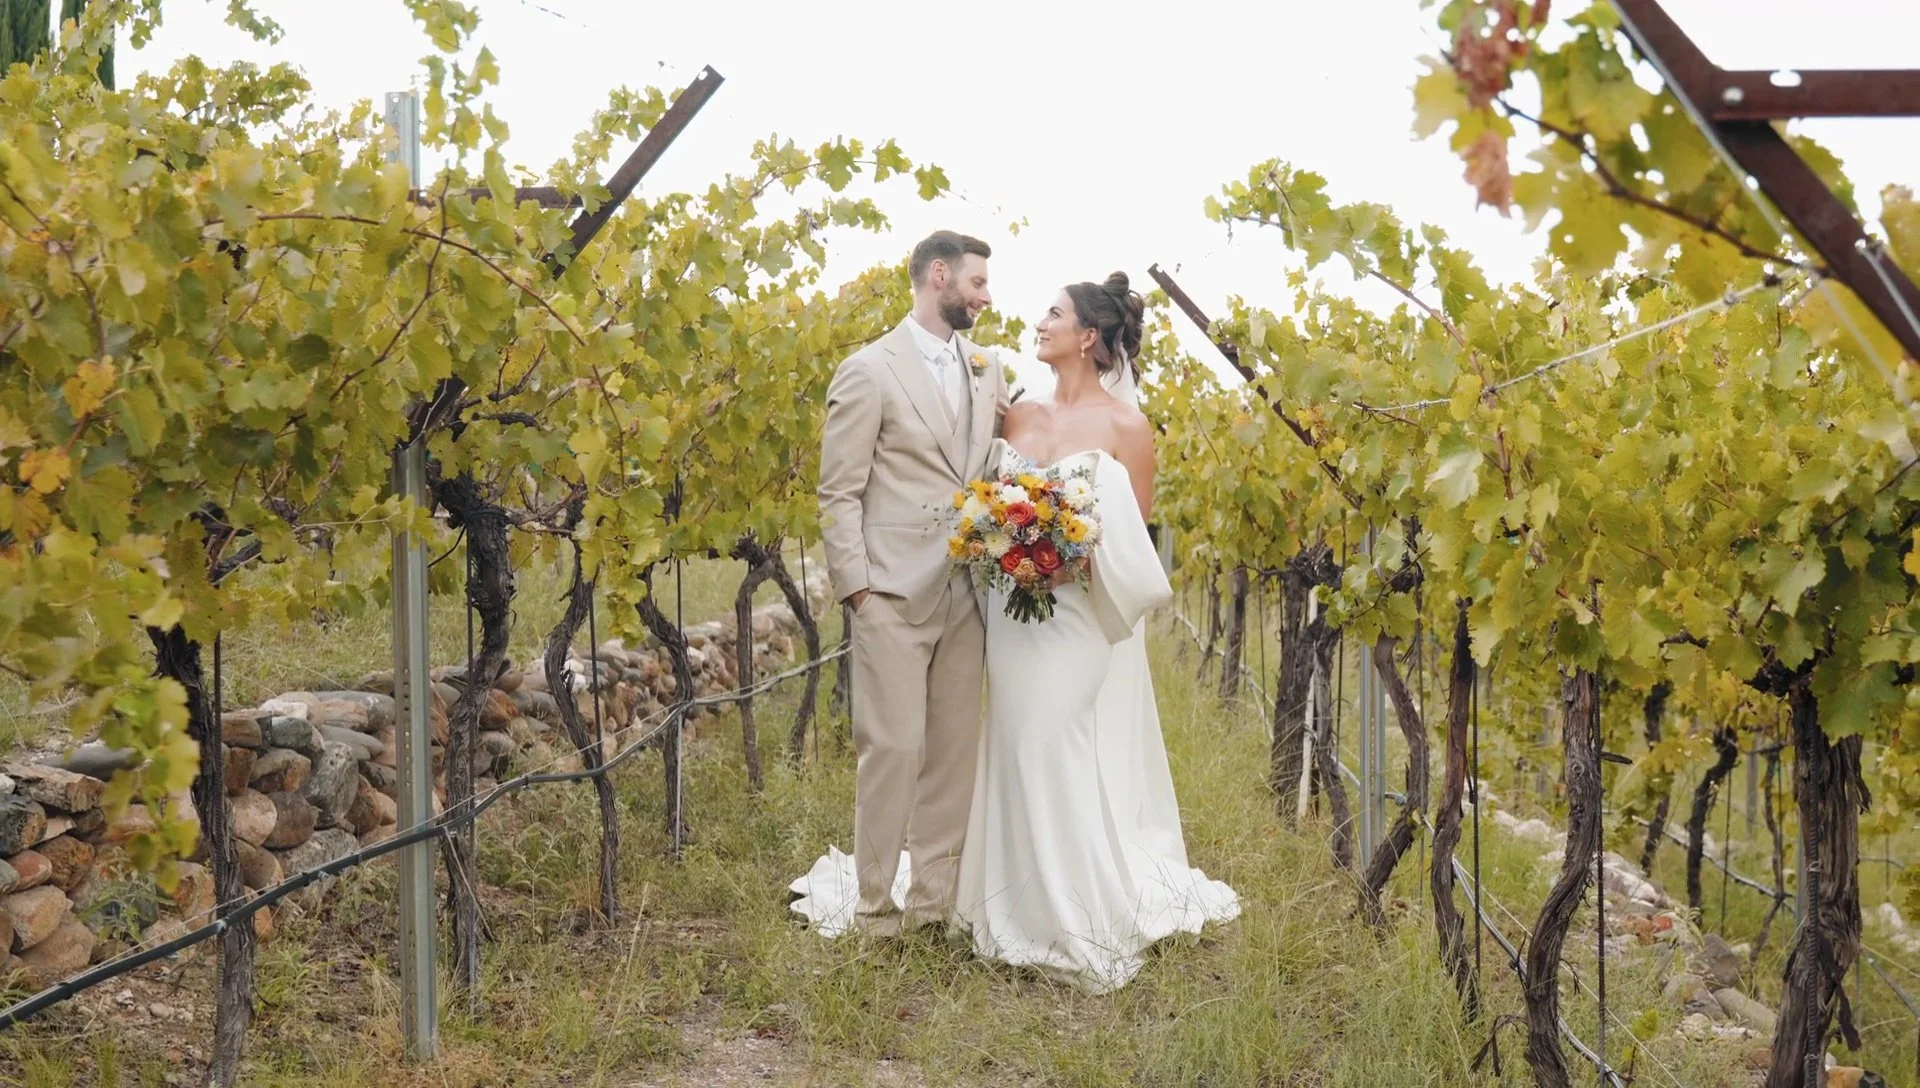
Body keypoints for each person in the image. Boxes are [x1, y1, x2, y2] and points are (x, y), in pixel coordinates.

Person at [949, 271, 1239, 992]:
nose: (1039, 323)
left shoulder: (1127, 428)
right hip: (1011, 612)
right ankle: (1006, 901)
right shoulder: (1017, 415)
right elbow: (988, 499)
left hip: (1073, 617)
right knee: (1012, 739)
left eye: (1054, 313)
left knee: (1055, 738)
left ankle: (1076, 914)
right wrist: (1004, 544)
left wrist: (1061, 556)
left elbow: (1131, 533)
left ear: (1086, 336)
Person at [802, 230, 1009, 936]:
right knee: (891, 751)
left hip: (967, 590)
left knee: (952, 756)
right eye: (978, 283)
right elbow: (838, 491)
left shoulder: (987, 368)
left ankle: (930, 911)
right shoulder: (868, 370)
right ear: (939, 276)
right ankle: (874, 910)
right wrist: (857, 589)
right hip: (889, 592)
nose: (986, 297)